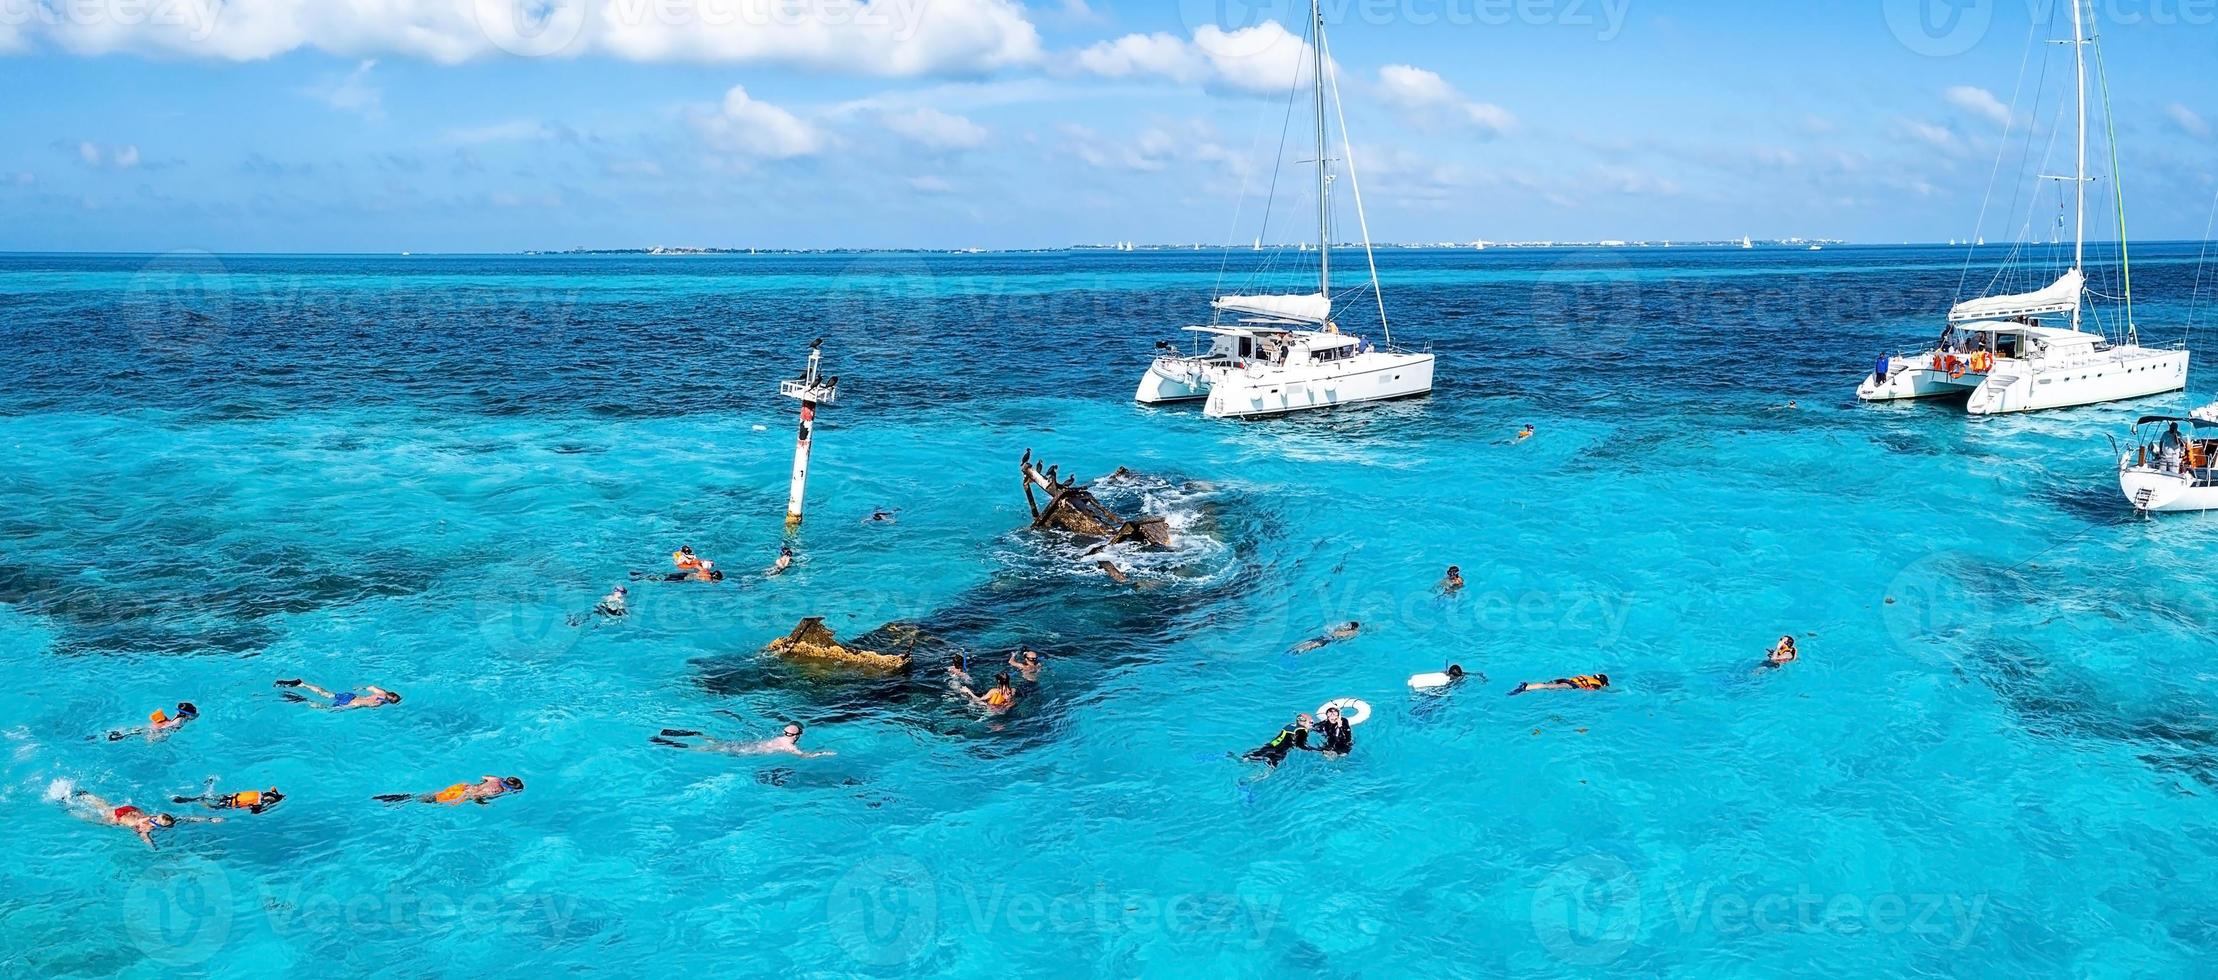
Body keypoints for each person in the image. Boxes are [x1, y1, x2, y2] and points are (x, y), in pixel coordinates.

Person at [65, 789, 216, 849]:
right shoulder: (147, 826)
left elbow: (187, 818)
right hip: (122, 818)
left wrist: (209, 820)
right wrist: (154, 848)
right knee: (97, 821)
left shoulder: (159, 817)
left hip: (131, 810)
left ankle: (86, 795)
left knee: (107, 806)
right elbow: (145, 837)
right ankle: (71, 810)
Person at [652, 721, 834, 758]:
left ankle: (680, 733)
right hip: (740, 751)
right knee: (698, 750)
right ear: (798, 735)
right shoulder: (789, 747)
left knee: (708, 739)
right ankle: (667, 743)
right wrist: (824, 753)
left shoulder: (779, 738)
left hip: (741, 745)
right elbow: (805, 756)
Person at [376, 775, 524, 806]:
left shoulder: (496, 779)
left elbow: (484, 777)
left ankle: (400, 798)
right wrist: (483, 803)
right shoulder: (498, 790)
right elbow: (475, 795)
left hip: (462, 786)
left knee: (434, 795)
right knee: (428, 800)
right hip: (463, 793)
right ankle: (399, 800)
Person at [1240, 714, 1316, 768]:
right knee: (1270, 770)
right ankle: (1250, 781)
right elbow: (1301, 745)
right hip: (1279, 752)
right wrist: (1316, 750)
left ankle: (1244, 759)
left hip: (1270, 746)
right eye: (1311, 722)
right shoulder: (1302, 731)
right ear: (1304, 722)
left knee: (1256, 755)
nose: (1312, 724)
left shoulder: (1290, 725)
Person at [274, 678, 401, 710]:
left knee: (326, 694)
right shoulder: (379, 703)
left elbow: (371, 687)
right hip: (350, 703)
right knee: (324, 708)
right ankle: (302, 700)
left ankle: (302, 684)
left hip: (350, 695)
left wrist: (361, 688)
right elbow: (365, 706)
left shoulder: (382, 692)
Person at [172, 780, 285, 815]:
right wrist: (268, 808)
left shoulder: (258, 793)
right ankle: (198, 801)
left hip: (229, 797)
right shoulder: (259, 803)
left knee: (210, 796)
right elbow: (255, 812)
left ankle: (193, 797)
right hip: (229, 804)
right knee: (213, 809)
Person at [106, 702, 198, 742]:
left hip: (160, 725)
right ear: (187, 714)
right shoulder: (180, 721)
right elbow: (166, 728)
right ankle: (119, 737)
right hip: (159, 729)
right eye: (192, 715)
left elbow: (170, 723)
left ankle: (118, 734)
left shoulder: (179, 715)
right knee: (139, 734)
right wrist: (158, 735)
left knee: (138, 731)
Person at [1288, 621, 1359, 655]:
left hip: (1325, 636)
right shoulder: (1353, 632)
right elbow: (1343, 640)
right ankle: (1297, 653)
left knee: (1310, 642)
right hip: (1329, 640)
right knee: (1313, 646)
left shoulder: (1341, 629)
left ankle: (1295, 649)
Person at [1508, 673, 1610, 695]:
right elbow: (1591, 688)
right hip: (1572, 685)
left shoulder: (1586, 676)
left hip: (1563, 679)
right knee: (1547, 687)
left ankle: (1528, 686)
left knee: (1546, 684)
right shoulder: (1598, 685)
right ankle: (1525, 687)